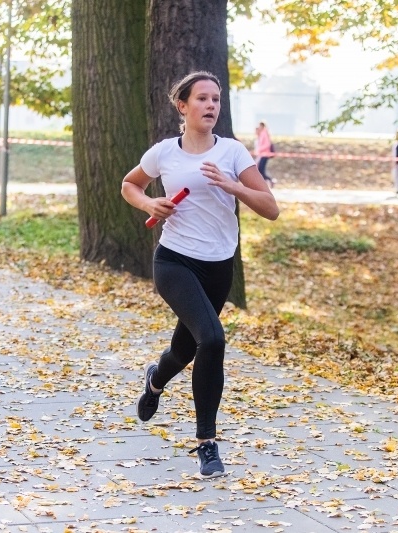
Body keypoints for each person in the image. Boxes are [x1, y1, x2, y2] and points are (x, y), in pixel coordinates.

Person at [120, 71, 279, 478]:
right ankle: (207, 444)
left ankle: (156, 379)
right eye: (203, 99)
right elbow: (129, 185)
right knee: (212, 338)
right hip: (174, 260)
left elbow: (270, 207)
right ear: (183, 106)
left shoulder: (232, 153)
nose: (211, 106)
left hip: (218, 266)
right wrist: (149, 204)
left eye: (217, 99)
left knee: (186, 349)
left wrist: (232, 186)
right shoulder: (164, 153)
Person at [254, 121, 275, 187]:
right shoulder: (263, 133)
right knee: (260, 170)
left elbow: (267, 144)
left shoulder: (264, 133)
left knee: (261, 170)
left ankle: (270, 180)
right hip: (262, 154)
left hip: (265, 154)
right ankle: (266, 182)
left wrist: (259, 149)